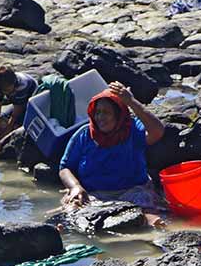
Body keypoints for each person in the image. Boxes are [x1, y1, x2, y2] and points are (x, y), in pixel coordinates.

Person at [59, 82, 168, 227]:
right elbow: (65, 167)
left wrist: (131, 101)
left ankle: (161, 236)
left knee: (150, 216)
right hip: (93, 194)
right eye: (97, 112)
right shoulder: (84, 135)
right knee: (71, 212)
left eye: (106, 112)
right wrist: (75, 187)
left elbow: (157, 131)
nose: (100, 117)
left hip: (133, 191)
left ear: (119, 115)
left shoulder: (133, 130)